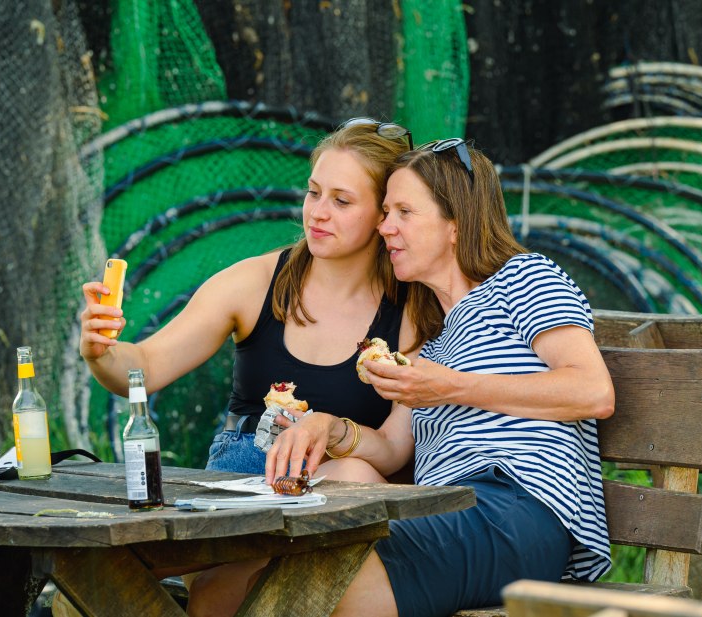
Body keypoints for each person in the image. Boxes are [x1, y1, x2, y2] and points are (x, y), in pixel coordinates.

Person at [258, 138, 616, 617]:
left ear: (456, 224)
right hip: (445, 509)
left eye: (404, 212)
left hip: (518, 510)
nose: (385, 227)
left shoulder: (523, 277)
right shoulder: (434, 340)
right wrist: (329, 427)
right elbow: (392, 448)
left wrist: (450, 386)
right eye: (386, 212)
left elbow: (593, 391)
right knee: (271, 570)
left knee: (319, 584)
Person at [79, 119, 416, 479]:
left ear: (385, 214)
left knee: (355, 473)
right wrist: (101, 354)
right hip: (246, 476)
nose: (318, 212)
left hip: (344, 489)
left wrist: (333, 430)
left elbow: (393, 449)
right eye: (313, 192)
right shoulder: (255, 282)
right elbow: (146, 367)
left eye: (341, 201)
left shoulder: (412, 307)